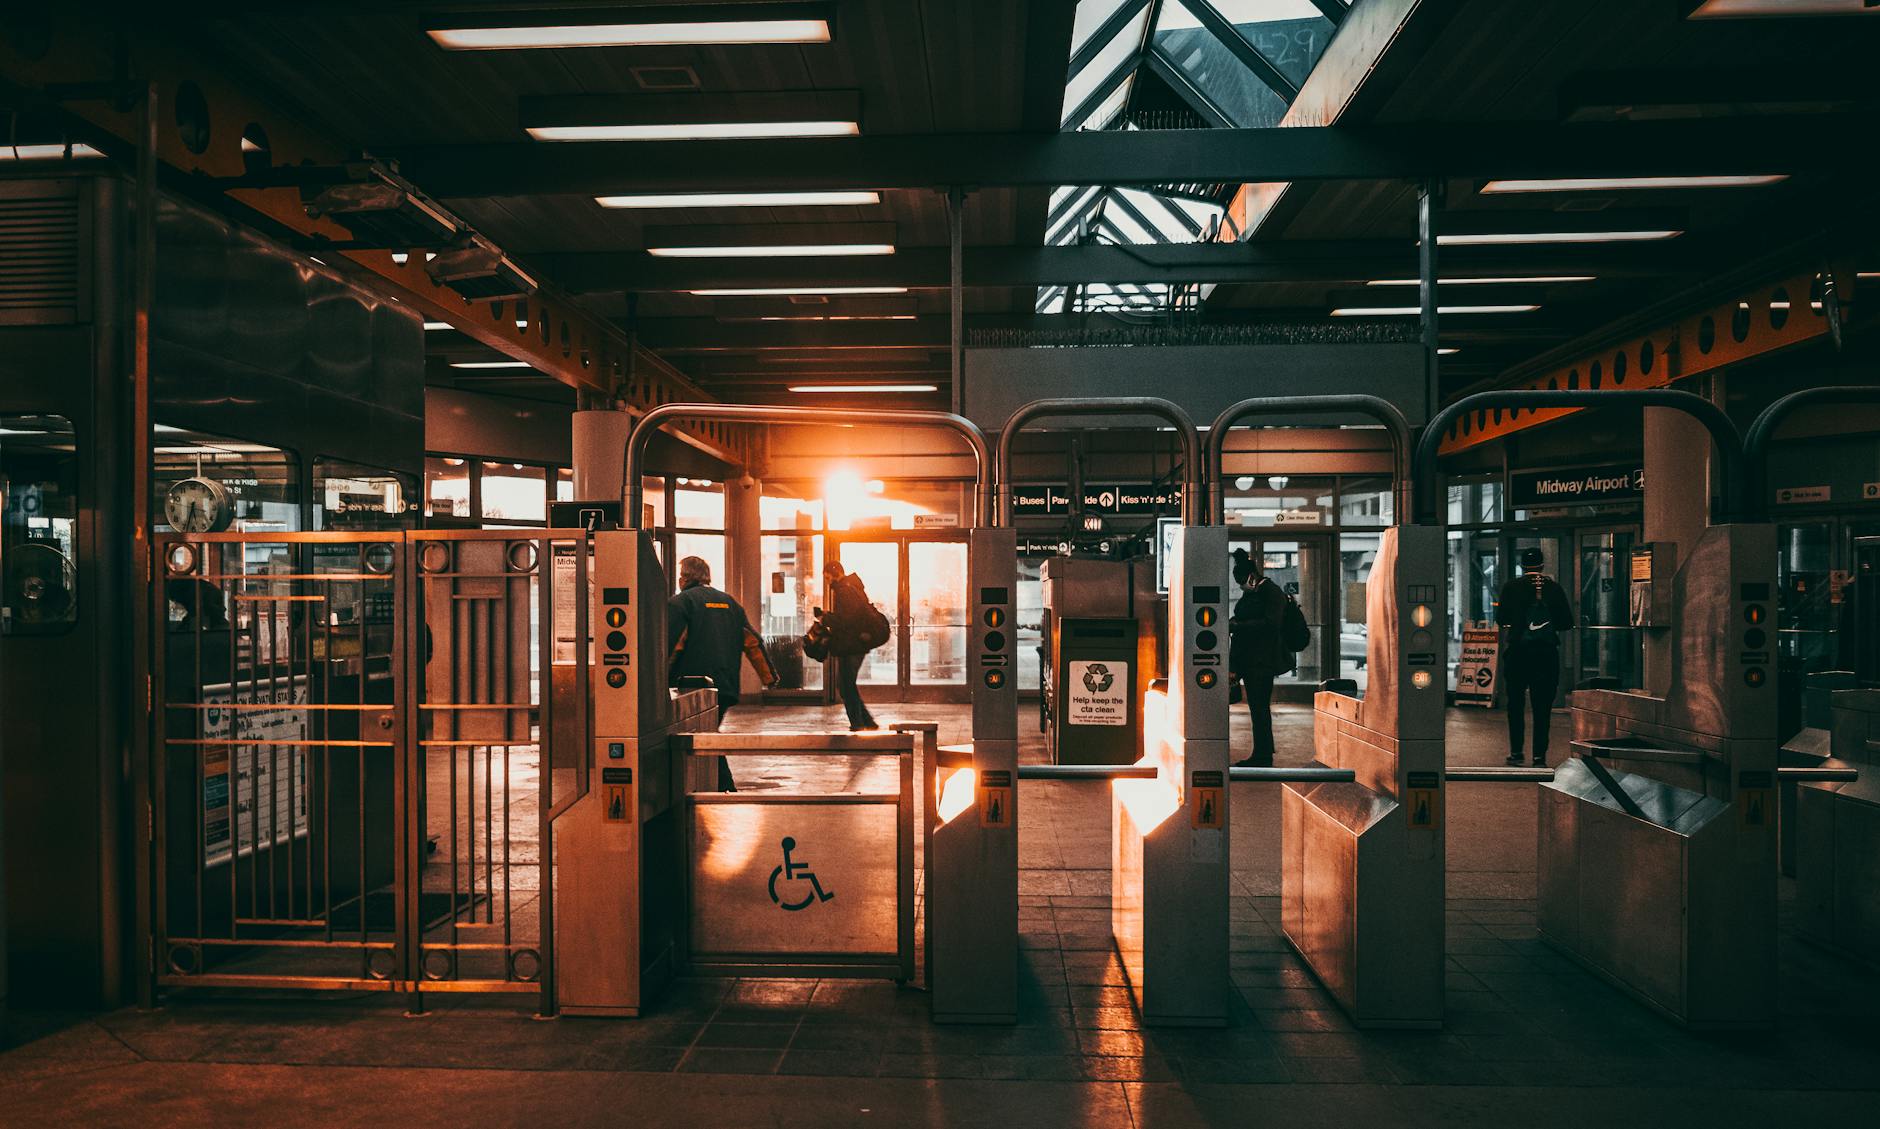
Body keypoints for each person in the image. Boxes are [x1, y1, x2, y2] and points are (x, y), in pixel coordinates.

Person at [668, 556, 776, 787]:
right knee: (707, 732)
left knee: (702, 737)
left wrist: (658, 679)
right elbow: (753, 642)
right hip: (725, 686)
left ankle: (724, 787)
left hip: (691, 687)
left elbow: (673, 646)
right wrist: (769, 677)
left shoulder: (681, 603)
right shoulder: (730, 603)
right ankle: (712, 786)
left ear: (684, 578)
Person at [1495, 547, 1573, 767]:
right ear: (1542, 565)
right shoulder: (1554, 588)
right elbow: (1567, 622)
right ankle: (1539, 757)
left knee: (1515, 704)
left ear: (1522, 565)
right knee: (1542, 707)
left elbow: (1502, 620)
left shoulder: (1511, 587)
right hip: (1546, 654)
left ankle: (1517, 752)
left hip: (1518, 653)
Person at [1228, 548, 1290, 767]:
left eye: (1242, 581)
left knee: (1259, 708)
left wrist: (1239, 625)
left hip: (1262, 662)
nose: (1241, 585)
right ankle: (1262, 751)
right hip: (1249, 660)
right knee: (1257, 708)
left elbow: (1272, 624)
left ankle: (1263, 755)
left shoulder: (1271, 592)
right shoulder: (1252, 592)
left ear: (1251, 576)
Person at [822, 559, 880, 732]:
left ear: (836, 573)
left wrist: (827, 618)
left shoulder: (844, 590)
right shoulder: (853, 588)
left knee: (846, 685)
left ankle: (858, 722)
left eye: (827, 577)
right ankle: (866, 721)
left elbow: (847, 620)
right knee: (848, 684)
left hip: (851, 645)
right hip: (856, 644)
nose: (827, 582)